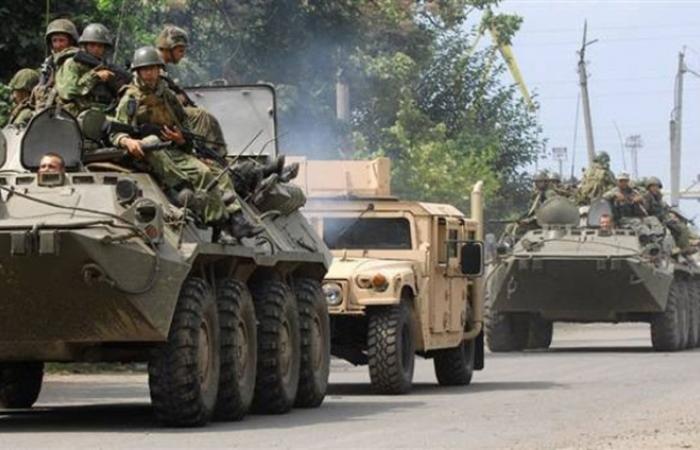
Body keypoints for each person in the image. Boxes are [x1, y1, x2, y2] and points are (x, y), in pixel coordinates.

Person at [109, 46, 260, 240]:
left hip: (172, 149)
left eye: (153, 69)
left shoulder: (167, 96)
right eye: (145, 69)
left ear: (159, 70)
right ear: (137, 72)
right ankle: (183, 187)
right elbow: (116, 131)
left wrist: (180, 138)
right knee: (152, 142)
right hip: (146, 154)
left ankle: (222, 222)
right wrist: (127, 141)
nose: (149, 74)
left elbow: (185, 124)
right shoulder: (131, 98)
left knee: (207, 172)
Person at [156, 25, 227, 157]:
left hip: (165, 108)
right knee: (202, 116)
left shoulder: (159, 64)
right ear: (169, 48)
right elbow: (155, 93)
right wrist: (176, 99)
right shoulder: (154, 64)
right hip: (159, 110)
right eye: (180, 50)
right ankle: (210, 155)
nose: (183, 55)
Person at [54, 23, 117, 116]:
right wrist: (95, 76)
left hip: (103, 113)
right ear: (85, 46)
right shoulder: (72, 62)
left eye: (100, 46)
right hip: (76, 114)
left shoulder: (106, 66)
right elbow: (68, 92)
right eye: (92, 45)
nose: (96, 49)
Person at [32, 18, 80, 110]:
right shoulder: (50, 61)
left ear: (71, 41)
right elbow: (42, 83)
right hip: (49, 106)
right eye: (54, 40)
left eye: (62, 40)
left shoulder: (77, 59)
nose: (58, 45)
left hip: (72, 106)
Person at [643, 177, 695, 254]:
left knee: (681, 227)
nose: (655, 188)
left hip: (663, 218)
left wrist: (671, 214)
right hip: (655, 219)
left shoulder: (659, 197)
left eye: (656, 186)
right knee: (677, 229)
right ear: (649, 187)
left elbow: (666, 208)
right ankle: (682, 248)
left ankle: (683, 247)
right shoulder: (647, 197)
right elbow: (646, 211)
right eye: (653, 186)